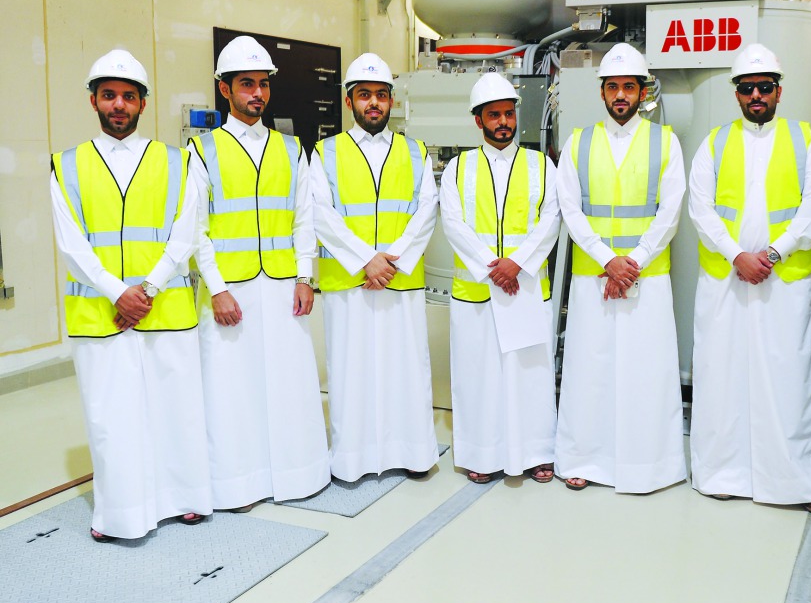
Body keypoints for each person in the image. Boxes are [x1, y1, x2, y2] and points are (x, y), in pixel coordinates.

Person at [50, 49, 212, 541]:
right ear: (93, 101)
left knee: (175, 409)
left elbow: (186, 232)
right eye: (109, 95)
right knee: (112, 418)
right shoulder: (66, 165)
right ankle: (119, 514)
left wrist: (147, 289)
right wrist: (119, 293)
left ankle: (184, 498)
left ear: (142, 103)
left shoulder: (179, 161)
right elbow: (71, 244)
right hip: (100, 314)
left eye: (128, 96)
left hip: (166, 308)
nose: (118, 105)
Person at [687, 44, 811, 512]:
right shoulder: (714, 142)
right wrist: (737, 256)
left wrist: (770, 254)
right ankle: (721, 473)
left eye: (764, 87)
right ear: (736, 93)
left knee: (786, 378)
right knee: (721, 374)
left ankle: (793, 482)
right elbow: (701, 209)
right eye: (747, 88)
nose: (756, 95)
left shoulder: (804, 140)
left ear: (778, 91)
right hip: (725, 280)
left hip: (781, 281)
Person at [189, 35, 330, 510]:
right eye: (246, 84)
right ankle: (238, 484)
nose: (257, 93)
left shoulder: (291, 149)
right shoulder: (202, 151)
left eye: (263, 84)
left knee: (290, 383)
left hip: (284, 285)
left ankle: (297, 473)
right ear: (225, 89)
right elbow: (196, 229)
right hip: (231, 291)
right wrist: (216, 289)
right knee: (232, 389)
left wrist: (305, 277)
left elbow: (303, 218)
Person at [555, 43, 688, 493]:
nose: (620, 95)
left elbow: (670, 211)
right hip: (593, 277)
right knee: (588, 370)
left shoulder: (665, 142)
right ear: (602, 92)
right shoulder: (578, 142)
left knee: (646, 373)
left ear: (642, 91)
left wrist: (632, 263)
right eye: (612, 86)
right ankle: (582, 459)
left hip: (645, 279)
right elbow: (570, 209)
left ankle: (648, 466)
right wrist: (607, 260)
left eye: (629, 87)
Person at [310, 53, 440, 482]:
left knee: (406, 370)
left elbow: (426, 211)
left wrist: (391, 261)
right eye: (364, 95)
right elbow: (321, 213)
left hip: (399, 282)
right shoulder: (326, 152)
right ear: (349, 101)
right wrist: (366, 260)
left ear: (392, 101)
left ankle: (413, 453)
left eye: (381, 95)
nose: (374, 103)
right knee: (352, 373)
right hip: (350, 283)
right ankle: (353, 460)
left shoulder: (415, 151)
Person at [439, 73, 561, 485]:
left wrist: (518, 264)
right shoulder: (458, 168)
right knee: (479, 376)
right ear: (479, 120)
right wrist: (494, 268)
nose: (504, 122)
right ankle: (482, 454)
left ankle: (538, 453)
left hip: (526, 289)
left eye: (509, 113)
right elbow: (453, 224)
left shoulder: (541, 165)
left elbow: (551, 220)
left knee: (530, 374)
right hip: (476, 292)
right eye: (494, 115)